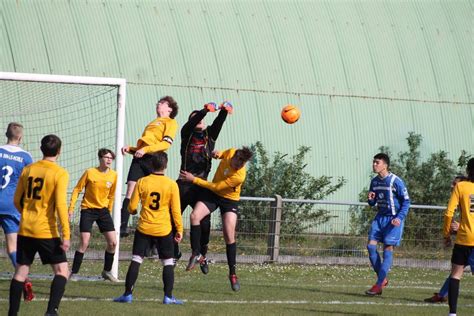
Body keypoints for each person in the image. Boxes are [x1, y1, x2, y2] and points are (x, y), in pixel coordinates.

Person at [9, 134, 70, 316]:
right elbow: (60, 205)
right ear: (59, 151)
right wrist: (65, 234)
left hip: (25, 229)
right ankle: (51, 311)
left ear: (41, 149)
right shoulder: (59, 173)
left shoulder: (28, 169)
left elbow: (17, 200)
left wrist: (28, 214)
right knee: (62, 271)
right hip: (46, 232)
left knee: (20, 272)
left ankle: (12, 314)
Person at [114, 152, 184, 305]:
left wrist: (133, 211)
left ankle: (127, 294)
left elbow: (131, 206)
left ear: (151, 165)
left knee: (137, 259)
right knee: (167, 262)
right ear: (165, 166)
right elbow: (176, 211)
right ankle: (168, 296)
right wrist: (179, 229)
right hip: (163, 229)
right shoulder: (171, 184)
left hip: (144, 227)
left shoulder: (142, 181)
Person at [180, 146, 253, 291]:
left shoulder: (239, 176)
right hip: (213, 195)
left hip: (228, 199)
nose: (240, 165)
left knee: (229, 235)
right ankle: (197, 253)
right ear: (235, 156)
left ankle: (232, 274)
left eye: (243, 163)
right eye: (239, 161)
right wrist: (217, 154)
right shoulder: (231, 152)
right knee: (194, 216)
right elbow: (223, 154)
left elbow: (216, 187)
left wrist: (194, 179)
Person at [174, 101, 233, 273]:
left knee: (204, 223)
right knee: (173, 219)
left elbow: (218, 123)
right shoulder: (186, 134)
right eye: (195, 119)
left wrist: (223, 111)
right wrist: (204, 111)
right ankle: (175, 251)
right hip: (184, 185)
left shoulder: (210, 135)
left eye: (200, 119)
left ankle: (201, 255)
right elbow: (193, 121)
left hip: (201, 185)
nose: (198, 120)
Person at [120, 96, 179, 237]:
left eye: (163, 103)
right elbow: (144, 146)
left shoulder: (171, 122)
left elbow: (166, 144)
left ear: (169, 109)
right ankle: (122, 227)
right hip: (140, 159)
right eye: (159, 102)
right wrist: (132, 149)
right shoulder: (152, 123)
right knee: (131, 190)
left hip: (154, 159)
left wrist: (145, 150)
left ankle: (156, 235)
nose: (159, 103)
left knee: (152, 193)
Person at [68, 148, 118, 282]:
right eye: (106, 157)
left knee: (113, 243)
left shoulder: (114, 175)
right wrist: (71, 208)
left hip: (103, 211)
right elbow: (77, 189)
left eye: (111, 158)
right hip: (88, 210)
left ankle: (107, 272)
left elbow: (111, 195)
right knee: (84, 242)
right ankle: (73, 273)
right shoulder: (90, 172)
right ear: (100, 158)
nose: (109, 160)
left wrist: (109, 209)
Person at [365, 153, 411, 296]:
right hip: (380, 218)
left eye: (377, 162)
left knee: (387, 248)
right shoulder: (374, 181)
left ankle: (378, 285)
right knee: (370, 246)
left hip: (393, 219)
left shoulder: (395, 181)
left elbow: (406, 201)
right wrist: (371, 200)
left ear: (385, 165)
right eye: (373, 162)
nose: (374, 165)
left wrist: (399, 217)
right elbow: (373, 202)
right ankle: (382, 279)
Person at [0, 123, 35, 302]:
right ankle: (24, 278)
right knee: (13, 246)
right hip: (12, 205)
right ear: (20, 137)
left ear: (6, 134)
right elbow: (30, 184)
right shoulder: (26, 157)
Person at [424, 175, 468, 303]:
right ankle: (442, 294)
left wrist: (460, 227)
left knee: (455, 272)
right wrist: (455, 231)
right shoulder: (460, 203)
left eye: (455, 184)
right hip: (466, 243)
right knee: (455, 272)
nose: (452, 186)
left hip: (470, 244)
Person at [443, 158, 474, 316]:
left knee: (455, 275)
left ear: (468, 171)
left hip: (463, 238)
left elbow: (449, 213)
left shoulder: (461, 186)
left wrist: (446, 234)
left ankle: (452, 313)